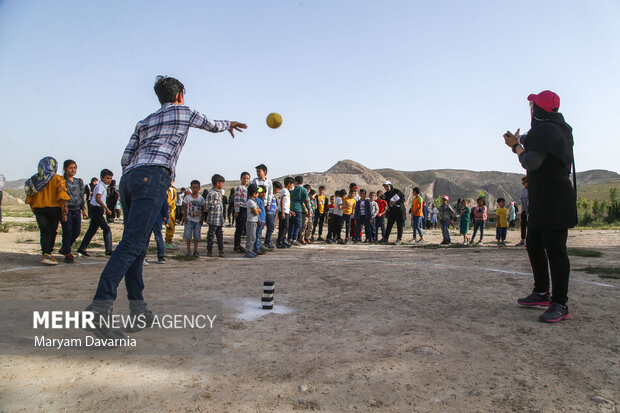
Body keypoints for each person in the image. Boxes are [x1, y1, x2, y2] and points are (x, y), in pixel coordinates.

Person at [84, 75, 247, 340]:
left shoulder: (144, 121)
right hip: (153, 176)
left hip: (130, 179)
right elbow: (211, 124)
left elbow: (126, 157)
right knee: (131, 244)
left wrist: (134, 178)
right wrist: (230, 124)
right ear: (180, 95)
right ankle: (99, 308)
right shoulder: (184, 111)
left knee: (135, 244)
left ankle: (138, 312)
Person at [504, 90, 576, 323]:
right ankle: (542, 292)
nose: (530, 109)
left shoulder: (547, 131)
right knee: (534, 243)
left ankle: (560, 303)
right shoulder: (554, 128)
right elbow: (533, 138)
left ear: (539, 109)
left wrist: (516, 147)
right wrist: (519, 140)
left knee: (556, 252)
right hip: (543, 200)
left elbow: (531, 162)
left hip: (555, 201)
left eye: (532, 105)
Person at [25, 157, 70, 265]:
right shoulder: (57, 179)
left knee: (44, 231)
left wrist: (34, 209)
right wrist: (64, 210)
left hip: (39, 209)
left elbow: (29, 196)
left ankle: (46, 253)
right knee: (52, 231)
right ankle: (48, 253)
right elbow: (62, 195)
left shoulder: (34, 180)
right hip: (54, 209)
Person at [77, 169, 114, 257]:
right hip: (96, 209)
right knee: (107, 229)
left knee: (91, 231)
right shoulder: (100, 186)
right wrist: (107, 208)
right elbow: (98, 198)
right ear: (102, 177)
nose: (109, 180)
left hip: (98, 209)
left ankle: (81, 249)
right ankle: (108, 250)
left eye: (110, 178)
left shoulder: (103, 186)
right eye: (107, 178)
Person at [59, 160, 88, 263]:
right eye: (70, 168)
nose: (73, 170)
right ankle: (67, 253)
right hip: (66, 209)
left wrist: (83, 210)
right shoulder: (61, 181)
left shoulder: (79, 181)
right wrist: (63, 212)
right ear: (65, 169)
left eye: (75, 168)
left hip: (76, 209)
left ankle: (64, 248)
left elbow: (81, 196)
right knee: (67, 231)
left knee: (76, 232)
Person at [205, 174, 226, 257]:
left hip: (219, 219)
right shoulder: (212, 193)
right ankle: (209, 250)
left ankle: (221, 250)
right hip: (213, 219)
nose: (222, 185)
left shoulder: (219, 193)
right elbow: (207, 206)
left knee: (220, 236)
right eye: (222, 183)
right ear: (218, 183)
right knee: (211, 235)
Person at [183, 180, 205, 256]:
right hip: (189, 219)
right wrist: (185, 218)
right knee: (188, 235)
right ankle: (188, 250)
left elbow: (202, 210)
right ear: (191, 188)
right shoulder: (187, 198)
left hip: (197, 220)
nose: (195, 189)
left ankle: (195, 250)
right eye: (193, 188)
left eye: (196, 188)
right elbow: (185, 209)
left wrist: (202, 219)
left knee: (197, 236)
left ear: (199, 188)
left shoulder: (201, 199)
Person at [146, 194, 169, 264]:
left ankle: (142, 256)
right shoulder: (162, 192)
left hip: (147, 216)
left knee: (146, 237)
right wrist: (165, 217)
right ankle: (161, 257)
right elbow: (165, 206)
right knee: (158, 237)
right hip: (157, 217)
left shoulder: (146, 189)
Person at [288, 176, 310, 246]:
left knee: (291, 224)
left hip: (290, 208)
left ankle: (289, 238)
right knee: (298, 224)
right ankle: (294, 239)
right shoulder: (303, 190)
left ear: (296, 181)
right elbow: (306, 201)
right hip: (298, 209)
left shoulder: (291, 189)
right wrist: (309, 210)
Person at [233, 172, 251, 252]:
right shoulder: (239, 188)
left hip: (245, 209)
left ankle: (239, 245)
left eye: (247, 178)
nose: (245, 180)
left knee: (244, 228)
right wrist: (237, 211)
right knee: (239, 229)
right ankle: (236, 245)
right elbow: (236, 199)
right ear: (241, 179)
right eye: (244, 178)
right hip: (240, 208)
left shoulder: (246, 188)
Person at [244, 184, 260, 258]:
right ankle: (247, 251)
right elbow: (256, 212)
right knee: (250, 237)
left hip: (254, 221)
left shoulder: (254, 201)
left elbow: (257, 209)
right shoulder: (250, 201)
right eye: (257, 192)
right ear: (254, 193)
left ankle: (250, 250)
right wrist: (257, 210)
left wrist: (257, 210)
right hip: (251, 222)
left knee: (253, 237)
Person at [277, 177, 293, 248]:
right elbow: (282, 201)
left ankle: (283, 240)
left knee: (285, 227)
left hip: (286, 211)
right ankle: (280, 241)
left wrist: (289, 211)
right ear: (289, 184)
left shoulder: (287, 191)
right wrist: (283, 212)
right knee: (283, 227)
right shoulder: (284, 191)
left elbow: (286, 203)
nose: (293, 186)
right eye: (292, 184)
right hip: (283, 212)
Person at [516, 176, 529, 247]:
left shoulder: (532, 189)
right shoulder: (524, 190)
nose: (523, 184)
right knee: (523, 225)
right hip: (524, 210)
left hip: (530, 210)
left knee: (529, 226)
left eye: (524, 182)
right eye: (522, 183)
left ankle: (528, 241)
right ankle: (522, 240)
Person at [164, 183, 178, 248]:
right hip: (167, 210)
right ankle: (167, 241)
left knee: (172, 226)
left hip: (172, 210)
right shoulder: (165, 189)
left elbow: (174, 199)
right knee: (169, 226)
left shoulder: (174, 189)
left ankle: (169, 240)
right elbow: (167, 201)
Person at [254, 185, 267, 254]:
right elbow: (257, 212)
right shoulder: (257, 200)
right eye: (262, 192)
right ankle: (256, 249)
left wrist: (264, 221)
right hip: (259, 221)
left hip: (262, 220)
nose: (264, 194)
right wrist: (259, 220)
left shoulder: (261, 200)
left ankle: (257, 248)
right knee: (257, 235)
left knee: (259, 235)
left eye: (265, 192)